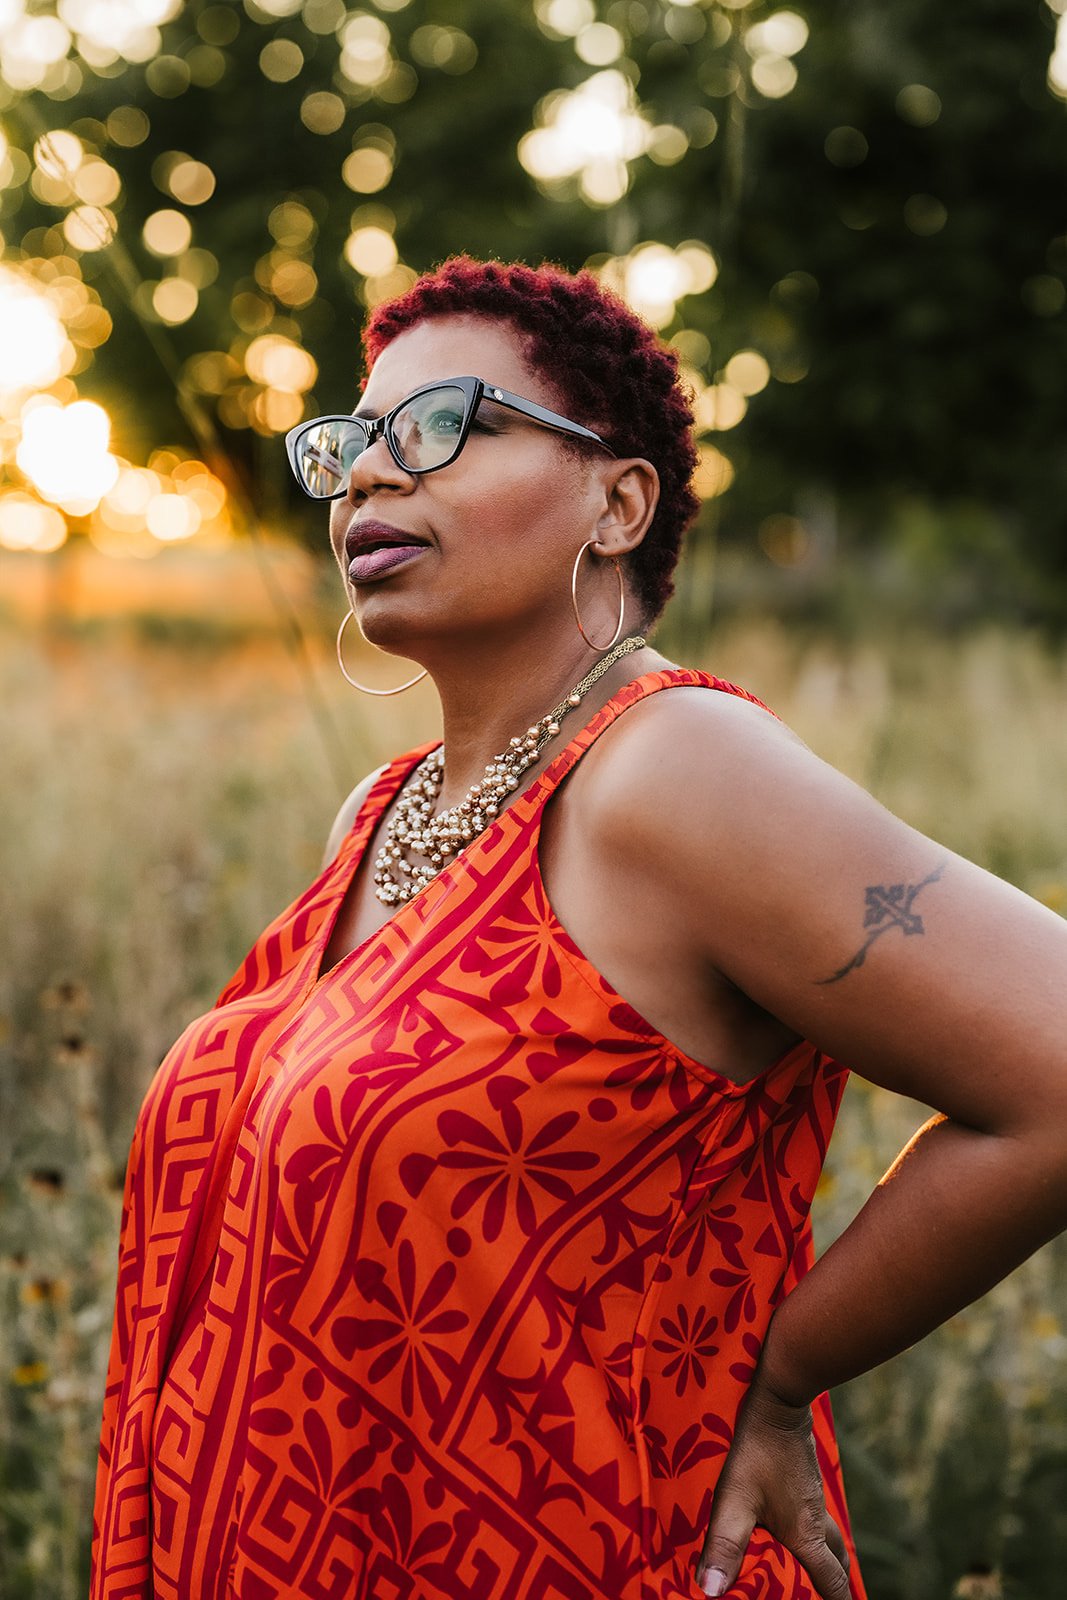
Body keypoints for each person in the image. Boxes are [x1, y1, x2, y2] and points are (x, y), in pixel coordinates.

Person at [90, 257, 1067, 1600]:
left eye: (444, 425)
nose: (370, 474)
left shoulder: (673, 769)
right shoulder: (379, 815)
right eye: (354, 441)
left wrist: (785, 1376)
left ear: (619, 503)